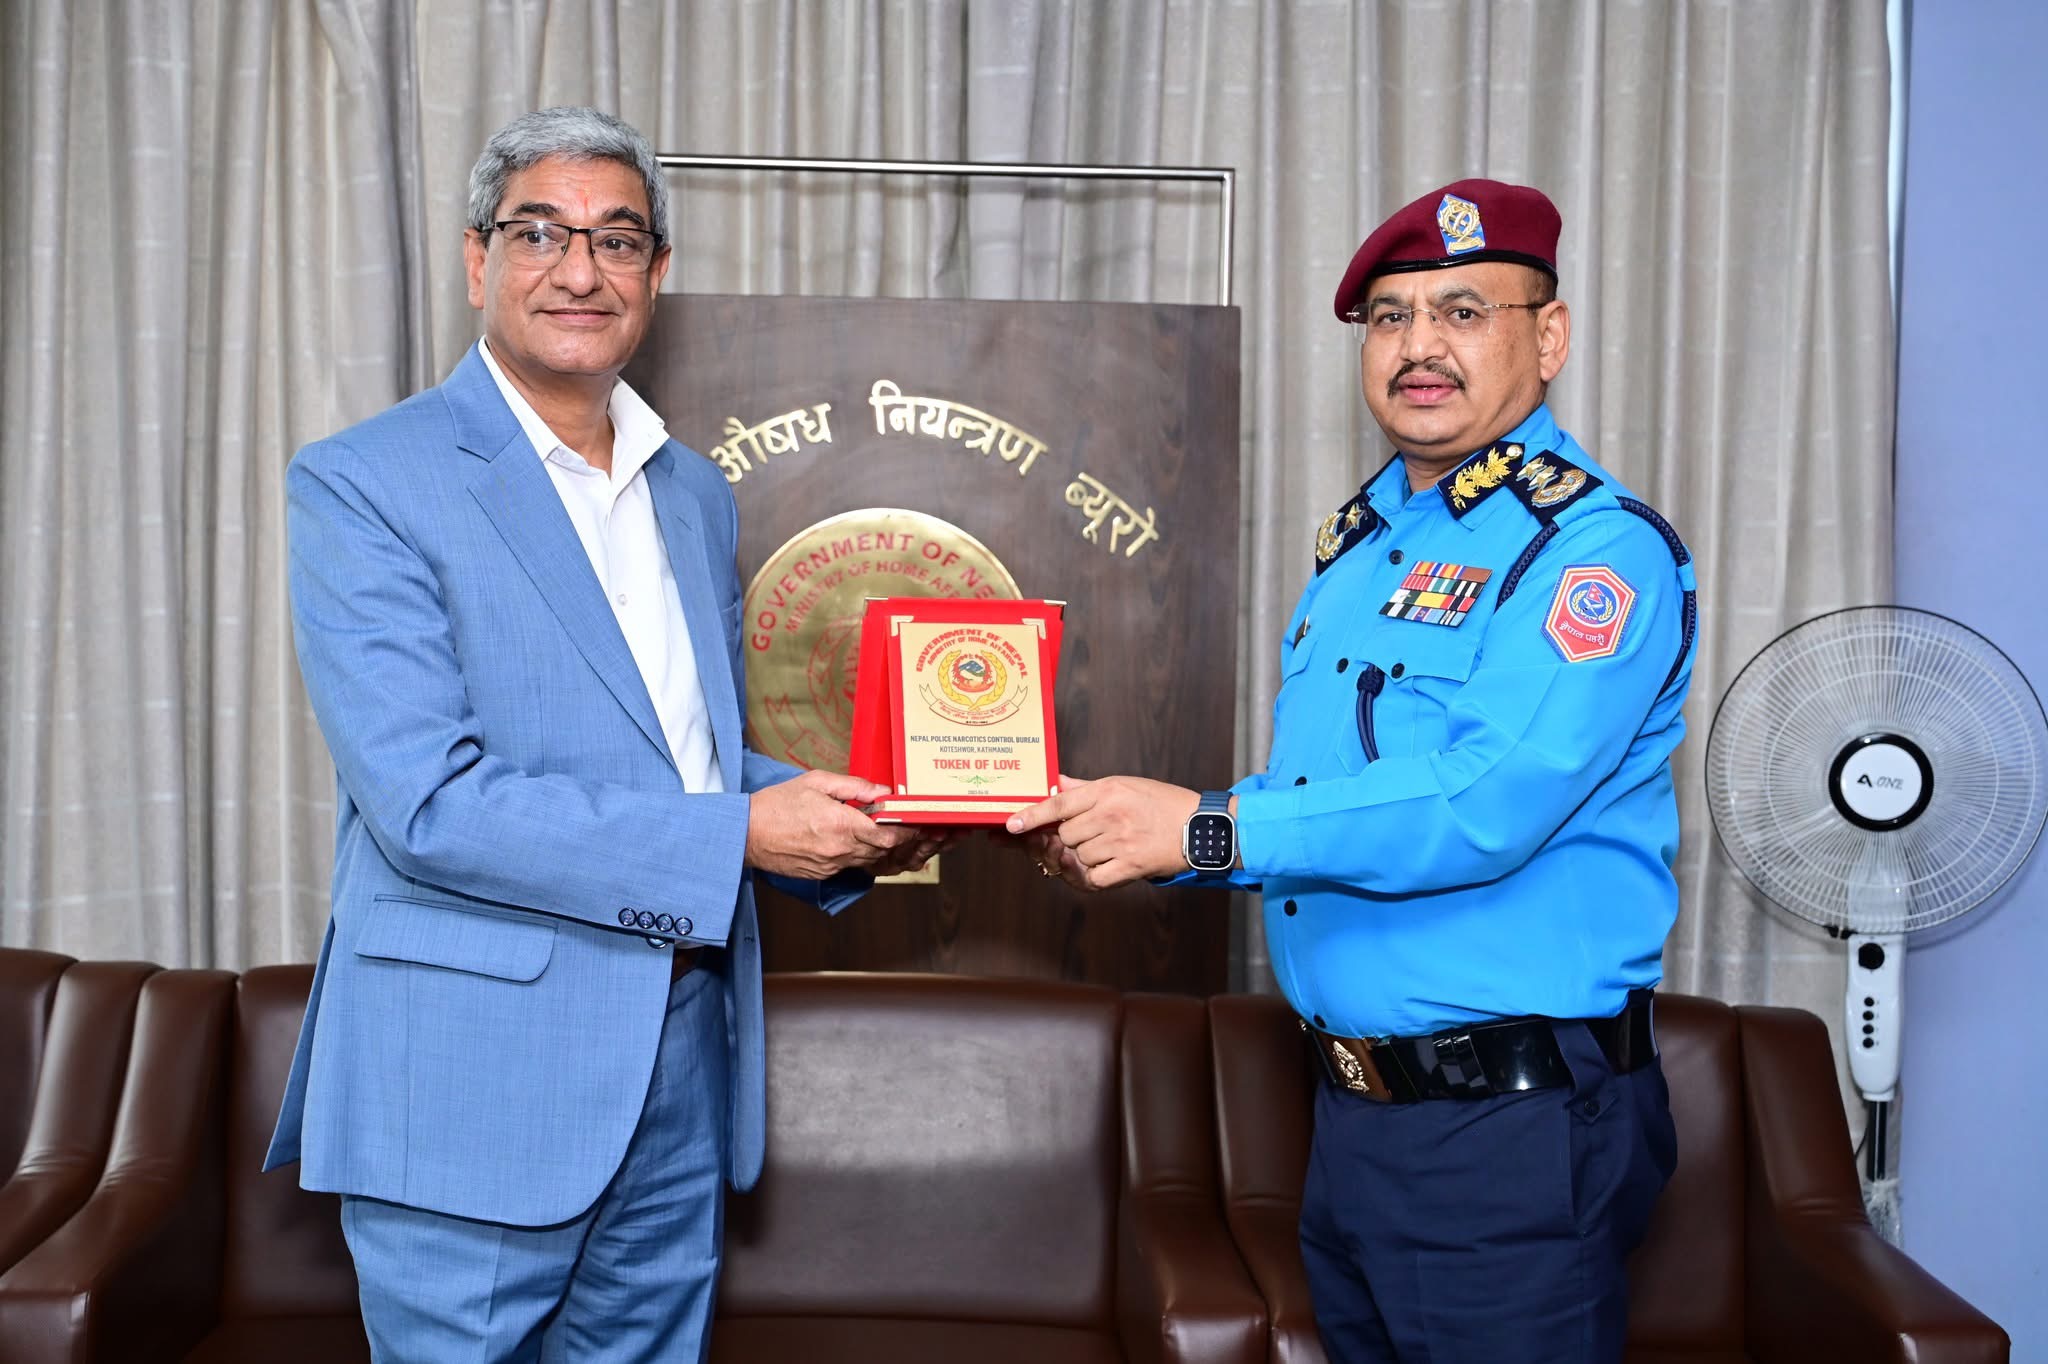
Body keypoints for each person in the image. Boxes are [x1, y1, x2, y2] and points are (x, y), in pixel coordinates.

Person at [264, 107, 935, 1361]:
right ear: (477, 259)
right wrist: (743, 833)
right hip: (471, 1082)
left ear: (655, 273)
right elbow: (429, 805)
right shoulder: (365, 482)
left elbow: (682, 756)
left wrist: (851, 812)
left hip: (682, 1065)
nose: (580, 270)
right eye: (541, 233)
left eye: (617, 239)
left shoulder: (691, 490)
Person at [1010, 178, 1697, 1363]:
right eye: (1389, 317)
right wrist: (1141, 836)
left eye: (1462, 311)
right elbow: (1326, 803)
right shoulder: (1364, 544)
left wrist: (1205, 829)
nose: (1418, 345)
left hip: (1507, 1129)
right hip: (1354, 1116)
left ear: (1548, 337)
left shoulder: (1590, 549)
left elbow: (1480, 802)